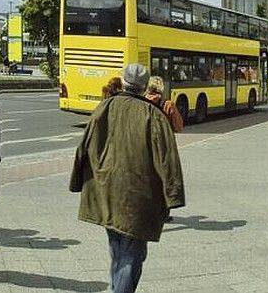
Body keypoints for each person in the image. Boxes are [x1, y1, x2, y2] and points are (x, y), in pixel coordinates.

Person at [70, 63, 185, 293]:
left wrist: (77, 182)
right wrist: (173, 197)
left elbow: (83, 147)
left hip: (105, 193)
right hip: (137, 198)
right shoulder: (153, 115)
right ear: (144, 87)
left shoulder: (104, 107)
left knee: (117, 252)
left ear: (123, 82)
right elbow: (168, 159)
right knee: (132, 258)